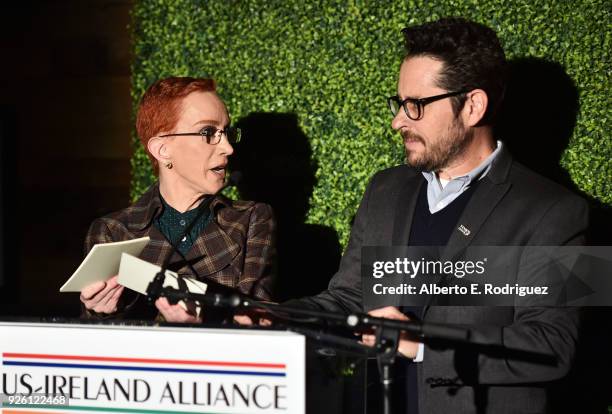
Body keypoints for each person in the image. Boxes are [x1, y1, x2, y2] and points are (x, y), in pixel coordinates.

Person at [283, 18, 588, 413]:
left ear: (473, 105)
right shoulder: (385, 190)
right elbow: (351, 298)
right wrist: (273, 318)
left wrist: (422, 345)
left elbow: (553, 344)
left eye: (416, 106)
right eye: (399, 104)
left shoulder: (560, 211)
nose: (398, 121)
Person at [79, 77, 275, 323]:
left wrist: (200, 327)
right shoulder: (113, 231)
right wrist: (99, 310)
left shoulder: (251, 219)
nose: (228, 147)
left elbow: (259, 324)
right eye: (208, 132)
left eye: (226, 132)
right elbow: (98, 346)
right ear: (162, 150)